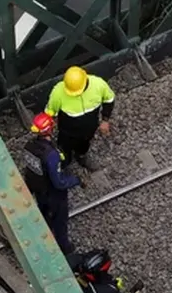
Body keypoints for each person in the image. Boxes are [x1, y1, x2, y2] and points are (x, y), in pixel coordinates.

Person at [19, 113, 80, 255]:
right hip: (54, 194)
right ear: (49, 129)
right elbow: (59, 183)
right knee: (60, 221)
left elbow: (30, 170)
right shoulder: (51, 155)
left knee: (45, 214)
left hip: (39, 189)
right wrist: (76, 180)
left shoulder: (29, 147)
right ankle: (64, 247)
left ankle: (45, 234)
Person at [45, 65, 115, 169]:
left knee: (84, 144)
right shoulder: (58, 92)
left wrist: (105, 120)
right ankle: (65, 161)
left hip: (89, 129)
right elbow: (49, 114)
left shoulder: (99, 85)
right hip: (67, 132)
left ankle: (81, 155)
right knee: (64, 147)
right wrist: (47, 133)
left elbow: (109, 100)